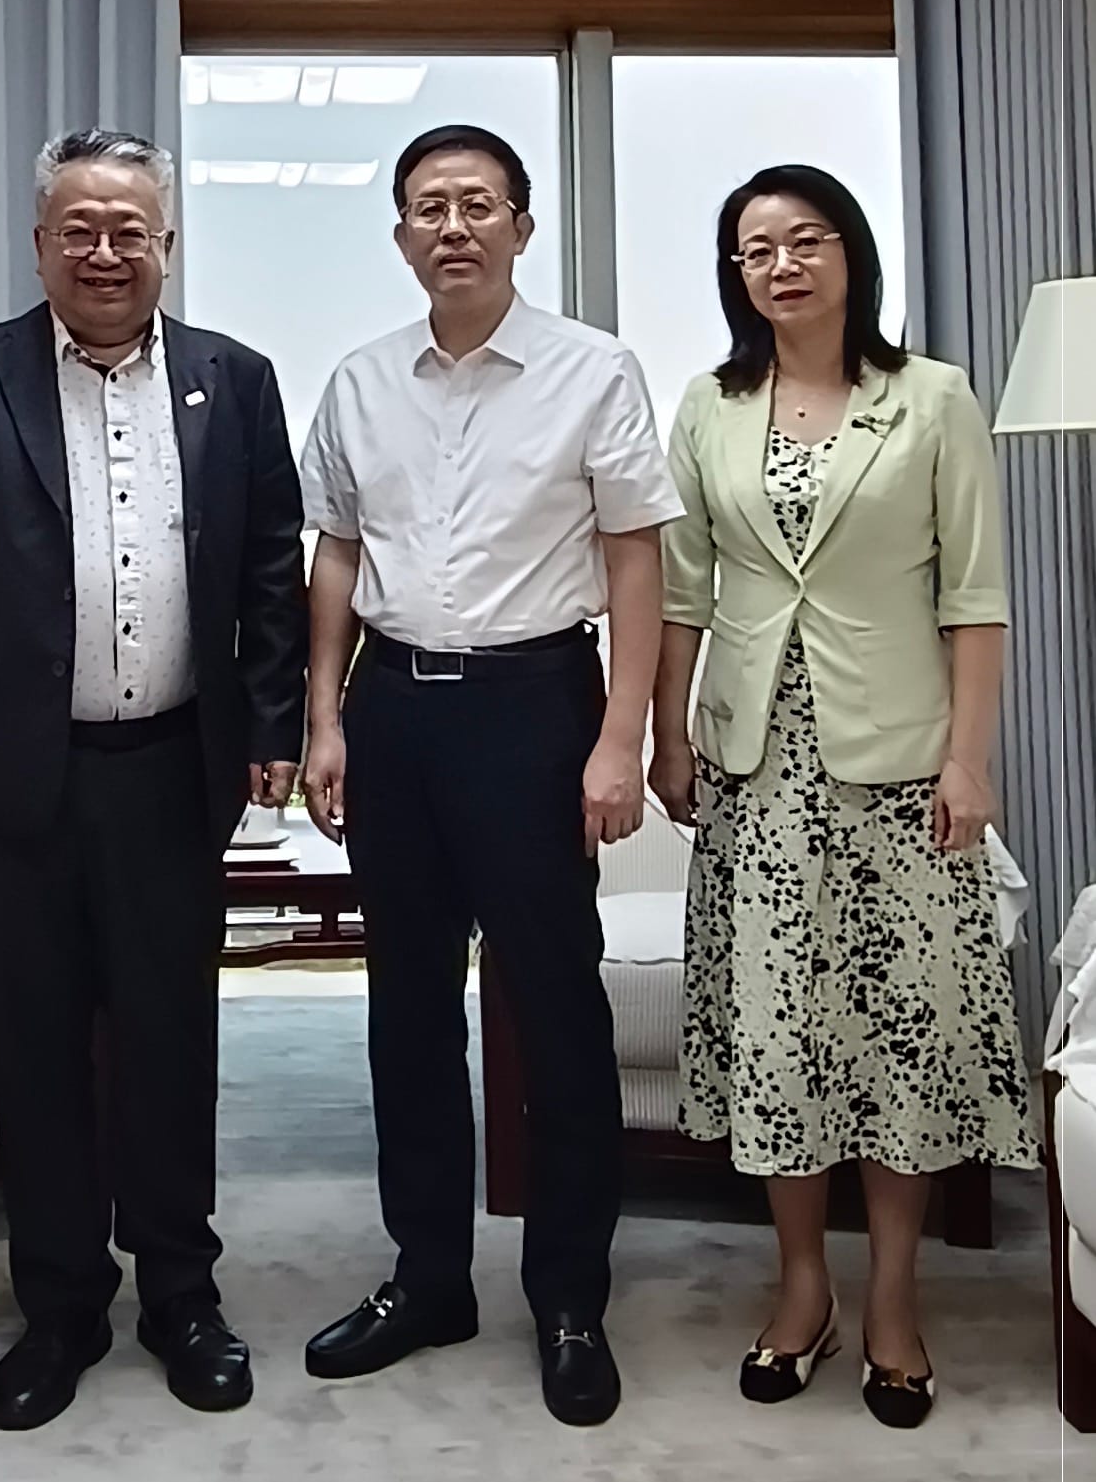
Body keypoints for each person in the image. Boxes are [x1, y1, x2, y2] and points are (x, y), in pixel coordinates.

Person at [0, 128, 307, 1431]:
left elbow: (269, 571)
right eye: (81, 228)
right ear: (41, 243)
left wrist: (272, 726)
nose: (107, 251)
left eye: (132, 229)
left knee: (174, 1044)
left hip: (173, 766)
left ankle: (181, 1293)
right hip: (13, 780)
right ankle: (59, 1304)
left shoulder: (234, 380)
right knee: (39, 1048)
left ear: (165, 243)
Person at [297, 124, 682, 1426]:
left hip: (534, 704)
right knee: (404, 1008)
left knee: (557, 1011)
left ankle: (569, 1296)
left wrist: (617, 734)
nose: (451, 226)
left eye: (476, 205)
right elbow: (337, 554)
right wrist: (324, 719)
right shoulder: (358, 380)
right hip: (393, 709)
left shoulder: (591, 369)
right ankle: (428, 1278)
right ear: (401, 235)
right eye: (426, 207)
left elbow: (636, 557)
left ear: (521, 226)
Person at [648, 163, 1038, 1429]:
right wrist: (666, 732)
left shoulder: (931, 398)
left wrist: (970, 761)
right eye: (753, 250)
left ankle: (893, 1303)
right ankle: (803, 1287)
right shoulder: (709, 406)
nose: (781, 266)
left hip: (903, 764)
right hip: (756, 770)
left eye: (805, 240)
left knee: (899, 1032)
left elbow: (971, 596)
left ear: (850, 254)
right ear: (736, 276)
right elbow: (683, 591)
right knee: (779, 1034)